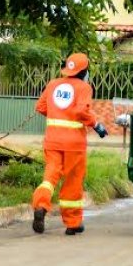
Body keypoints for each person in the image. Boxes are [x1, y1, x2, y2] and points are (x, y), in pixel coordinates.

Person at [31, 53, 108, 235]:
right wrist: (96, 125)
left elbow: (41, 107)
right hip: (74, 143)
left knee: (50, 177)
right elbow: (82, 111)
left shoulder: (53, 84)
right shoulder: (84, 88)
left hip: (52, 140)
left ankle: (40, 205)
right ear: (84, 71)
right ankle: (72, 223)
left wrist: (58, 114)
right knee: (73, 180)